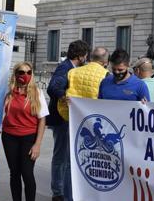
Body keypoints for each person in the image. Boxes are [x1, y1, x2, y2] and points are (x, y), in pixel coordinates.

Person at [46, 40, 89, 201]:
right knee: (61, 157)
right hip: (61, 118)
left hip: (65, 118)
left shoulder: (73, 67)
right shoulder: (65, 68)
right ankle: (58, 192)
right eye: (85, 55)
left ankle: (62, 189)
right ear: (80, 56)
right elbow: (53, 87)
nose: (86, 57)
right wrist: (64, 97)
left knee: (65, 156)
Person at [2, 62, 48, 201]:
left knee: (27, 174)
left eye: (29, 72)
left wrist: (37, 145)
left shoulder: (37, 93)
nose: (25, 75)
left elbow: (42, 120)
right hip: (9, 137)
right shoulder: (8, 92)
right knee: (14, 173)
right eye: (22, 72)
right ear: (15, 74)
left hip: (29, 138)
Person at [57, 47, 109, 121]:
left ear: (91, 58)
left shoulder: (72, 71)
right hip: (93, 117)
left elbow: (59, 88)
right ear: (106, 61)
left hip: (72, 115)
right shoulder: (106, 75)